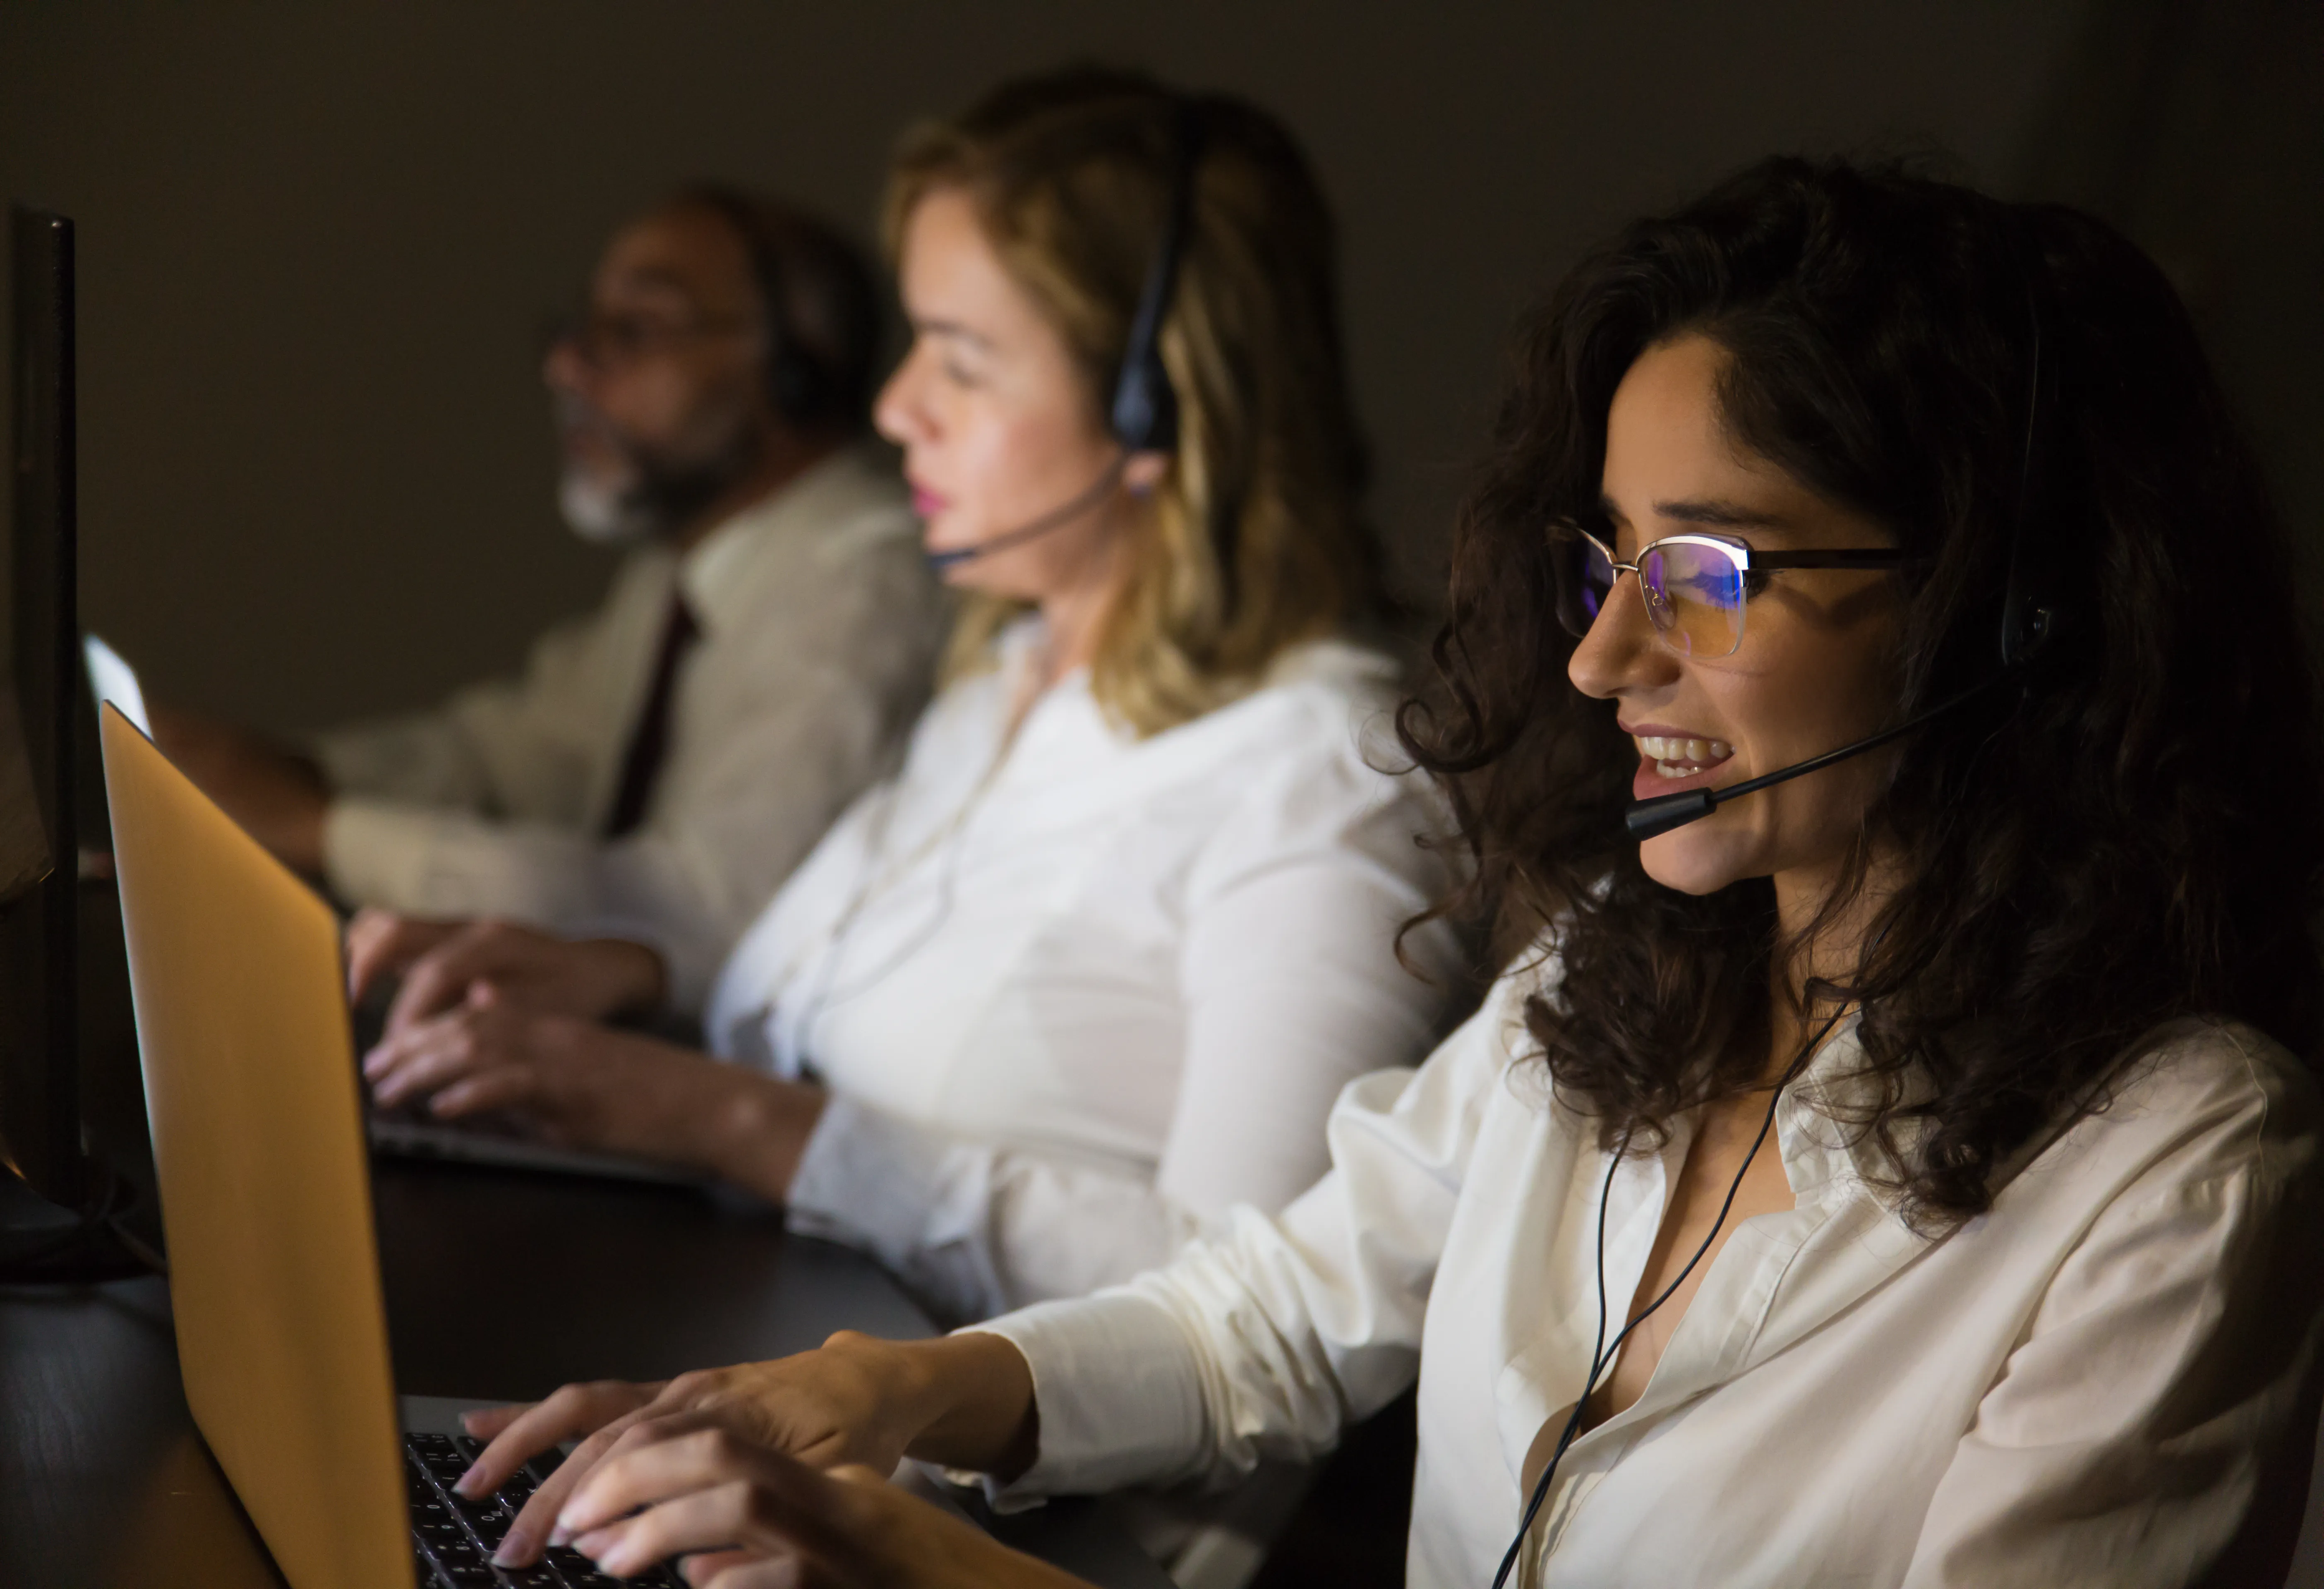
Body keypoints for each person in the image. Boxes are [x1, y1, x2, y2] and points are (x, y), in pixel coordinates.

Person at [443, 158, 2324, 1588]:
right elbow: (1259, 1312)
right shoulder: (1631, 968)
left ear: (2009, 623)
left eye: (1715, 574)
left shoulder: (2177, 1173)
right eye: (1607, 564)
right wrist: (863, 1397)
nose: (1599, 664)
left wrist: (913, 1560)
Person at [348, 70, 1460, 1334]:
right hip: (766, 1387)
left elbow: (1263, 1312)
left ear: (1157, 406)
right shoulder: (1004, 682)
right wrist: (622, 984)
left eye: (964, 362)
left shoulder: (1326, 776)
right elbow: (837, 1041)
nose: (892, 408)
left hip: (1008, 1519)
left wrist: (728, 1119)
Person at [154, 190, 948, 1008]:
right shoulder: (681, 576)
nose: (567, 365)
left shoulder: (865, 584)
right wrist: (257, 777)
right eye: (580, 330)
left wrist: (320, 829)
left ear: (796, 370)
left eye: (634, 331)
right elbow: (507, 757)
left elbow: (698, 914)